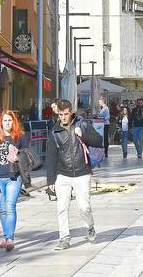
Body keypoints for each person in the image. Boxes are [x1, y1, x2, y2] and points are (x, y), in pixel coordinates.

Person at [45, 99, 104, 251]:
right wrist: (50, 180)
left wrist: (84, 136)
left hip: (82, 173)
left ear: (71, 112)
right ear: (57, 114)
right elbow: (51, 157)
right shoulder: (54, 132)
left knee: (84, 207)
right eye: (60, 114)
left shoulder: (83, 124)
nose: (63, 117)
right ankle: (64, 238)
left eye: (66, 114)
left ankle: (89, 227)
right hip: (62, 175)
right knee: (61, 208)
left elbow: (99, 141)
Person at [0, 110, 30, 251]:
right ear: (1, 122)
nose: (7, 123)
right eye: (5, 121)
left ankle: (10, 238)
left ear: (14, 122)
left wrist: (18, 158)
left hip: (13, 177)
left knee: (10, 206)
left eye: (10, 120)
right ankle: (5, 236)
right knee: (2, 208)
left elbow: (27, 155)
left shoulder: (20, 136)